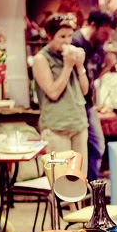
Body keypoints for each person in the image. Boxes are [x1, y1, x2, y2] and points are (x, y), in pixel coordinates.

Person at [32, 13, 88, 171]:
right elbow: (53, 92)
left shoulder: (71, 57)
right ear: (50, 36)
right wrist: (68, 67)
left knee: (80, 177)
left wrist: (80, 67)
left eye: (70, 36)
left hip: (78, 124)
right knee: (61, 180)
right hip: (56, 127)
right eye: (62, 36)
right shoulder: (41, 59)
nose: (67, 41)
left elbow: (84, 91)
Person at [71, 9, 117, 181]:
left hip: (87, 104)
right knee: (79, 151)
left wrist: (107, 66)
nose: (107, 38)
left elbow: (93, 76)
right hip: (74, 105)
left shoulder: (98, 46)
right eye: (105, 33)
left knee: (97, 146)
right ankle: (82, 187)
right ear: (93, 25)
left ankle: (90, 186)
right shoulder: (75, 43)